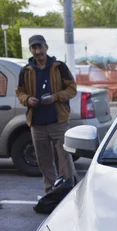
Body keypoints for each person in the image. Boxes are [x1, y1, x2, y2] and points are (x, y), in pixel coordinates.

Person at [16, 34, 78, 195]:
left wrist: (55, 97)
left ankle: (68, 190)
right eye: (34, 48)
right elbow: (20, 92)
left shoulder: (59, 67)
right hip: (36, 123)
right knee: (43, 161)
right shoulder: (26, 71)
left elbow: (72, 89)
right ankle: (51, 192)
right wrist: (27, 99)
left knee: (65, 159)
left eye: (40, 47)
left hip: (58, 121)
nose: (38, 51)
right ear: (30, 50)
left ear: (46, 47)